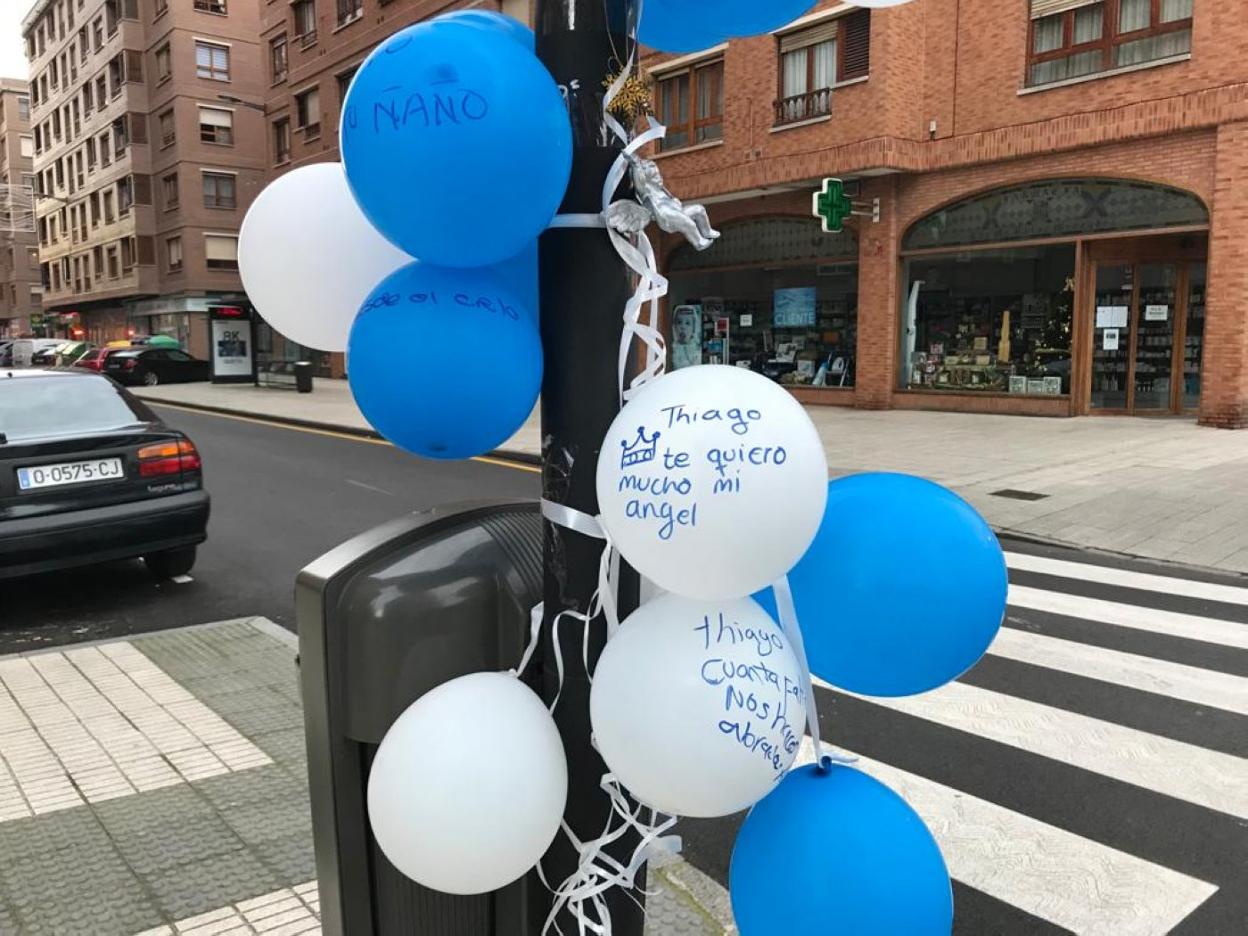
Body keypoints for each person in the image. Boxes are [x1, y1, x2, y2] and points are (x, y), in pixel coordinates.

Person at [671, 305, 701, 370]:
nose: (683, 327)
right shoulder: (673, 348)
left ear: (694, 328)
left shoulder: (697, 352)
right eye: (679, 322)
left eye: (687, 323)